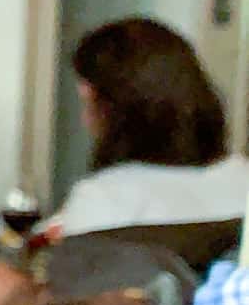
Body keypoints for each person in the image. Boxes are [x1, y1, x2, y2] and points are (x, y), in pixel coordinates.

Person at [46, 17, 249, 236]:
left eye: (88, 103)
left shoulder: (106, 198)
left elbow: (79, 270)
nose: (85, 120)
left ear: (115, 110)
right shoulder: (241, 177)